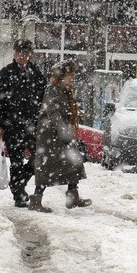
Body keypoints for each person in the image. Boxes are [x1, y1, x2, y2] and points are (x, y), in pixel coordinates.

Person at [0, 39, 47, 207]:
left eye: (25, 53)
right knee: (16, 160)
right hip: (12, 126)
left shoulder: (36, 73)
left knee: (38, 158)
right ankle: (18, 195)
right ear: (14, 53)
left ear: (30, 55)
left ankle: (19, 184)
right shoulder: (6, 73)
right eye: (19, 52)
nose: (22, 56)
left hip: (33, 126)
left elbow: (44, 99)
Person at [29, 59, 92, 213]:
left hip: (63, 134)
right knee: (46, 167)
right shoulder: (52, 90)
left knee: (73, 163)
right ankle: (36, 200)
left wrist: (76, 115)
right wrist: (62, 128)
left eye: (73, 74)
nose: (73, 77)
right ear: (62, 76)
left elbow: (64, 111)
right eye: (70, 74)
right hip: (50, 135)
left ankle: (73, 197)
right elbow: (53, 111)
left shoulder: (66, 91)